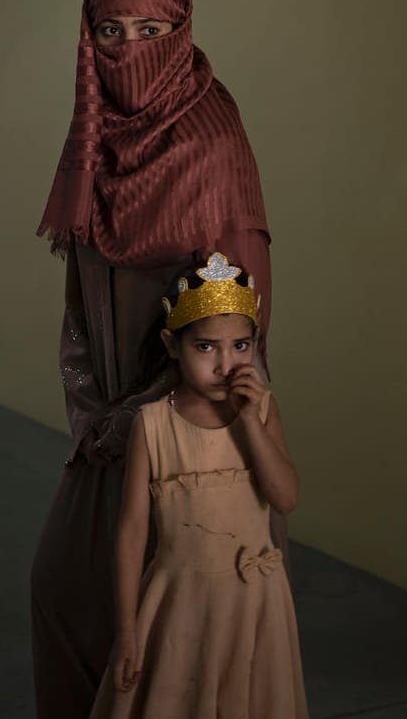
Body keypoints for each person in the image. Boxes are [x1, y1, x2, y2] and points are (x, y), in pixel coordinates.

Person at [31, 0, 279, 717]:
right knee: (63, 595)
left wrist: (148, 412)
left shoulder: (211, 139)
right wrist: (89, 409)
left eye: (149, 30)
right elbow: (78, 299)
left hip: (187, 429)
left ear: (180, 31)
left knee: (175, 643)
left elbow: (235, 320)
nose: (129, 49)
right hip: (104, 426)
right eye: (109, 31)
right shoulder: (94, 137)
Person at [90, 253, 307, 718]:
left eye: (241, 346)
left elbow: (285, 498)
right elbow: (131, 534)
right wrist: (127, 630)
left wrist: (250, 423)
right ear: (173, 345)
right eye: (206, 348)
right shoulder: (152, 425)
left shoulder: (263, 412)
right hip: (179, 606)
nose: (226, 365)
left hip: (253, 606)